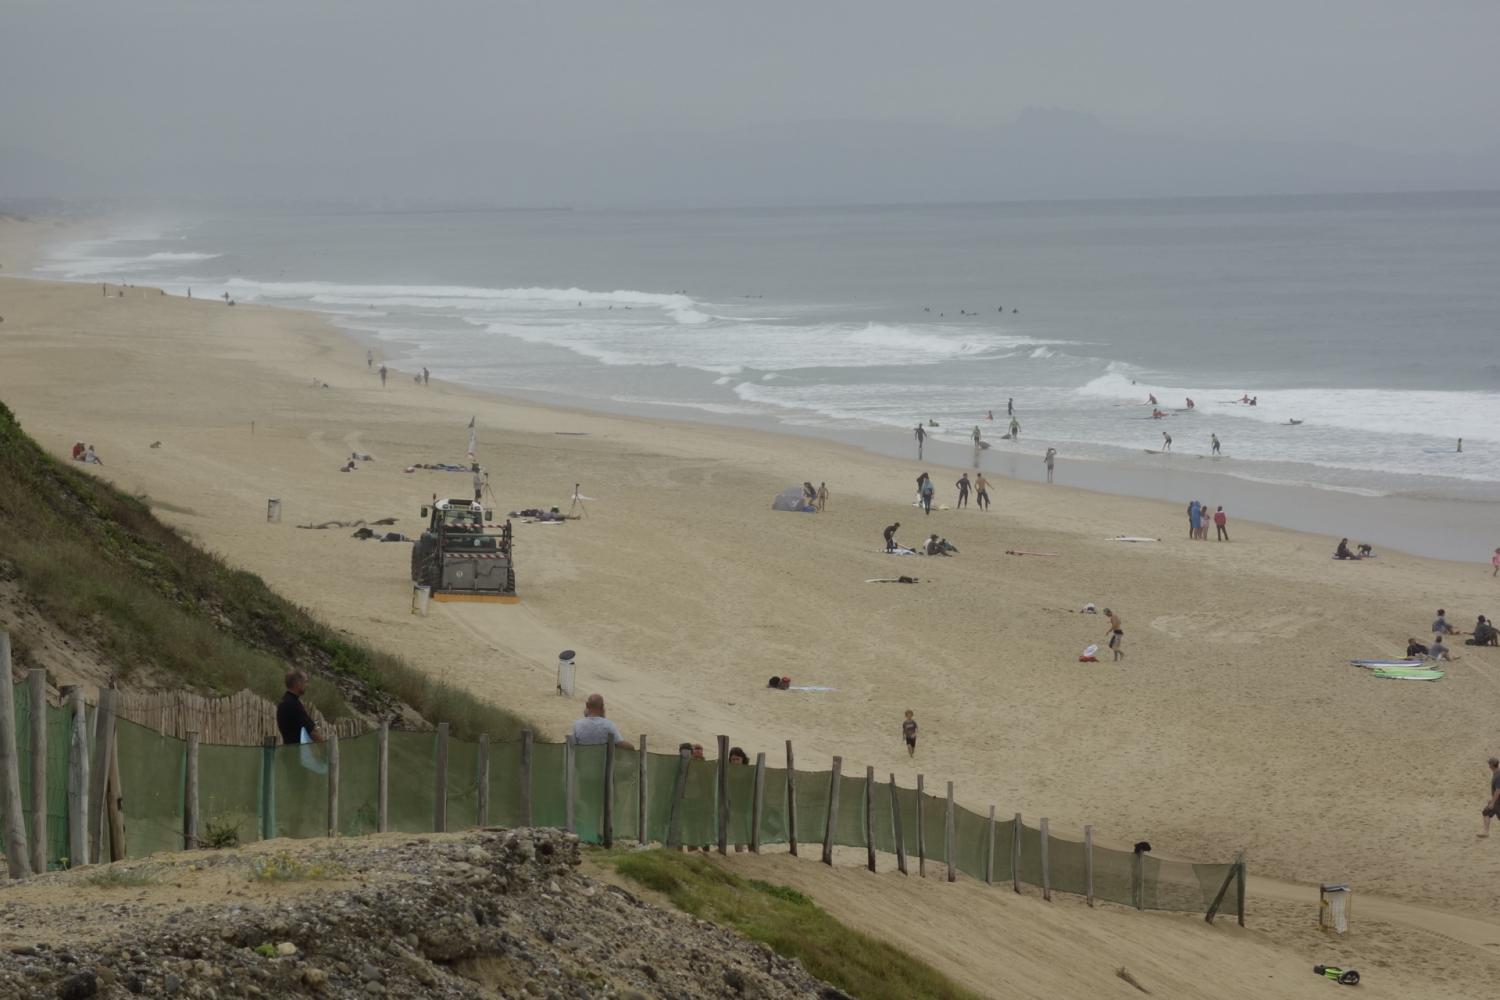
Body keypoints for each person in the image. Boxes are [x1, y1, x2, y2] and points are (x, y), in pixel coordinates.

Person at [276, 670, 322, 745]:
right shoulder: (293, 704)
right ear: (298, 683)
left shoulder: (284, 702)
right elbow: (311, 731)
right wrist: (325, 750)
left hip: (288, 750)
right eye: (305, 682)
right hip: (297, 753)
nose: (307, 685)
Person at [1482, 757, 1500, 838]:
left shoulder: (1498, 775)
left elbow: (1498, 790)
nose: (1488, 766)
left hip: (1498, 802)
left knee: (1486, 812)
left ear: (1492, 765)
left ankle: (1486, 832)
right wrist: (1492, 800)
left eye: (1489, 764)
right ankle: (1486, 832)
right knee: (1486, 812)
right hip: (1496, 801)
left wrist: (1492, 802)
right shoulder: (1496, 773)